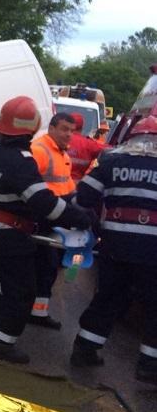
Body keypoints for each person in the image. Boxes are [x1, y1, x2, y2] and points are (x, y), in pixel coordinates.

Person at [0, 96, 93, 364]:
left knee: (6, 280)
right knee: (22, 291)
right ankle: (0, 343)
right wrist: (79, 217)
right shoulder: (21, 161)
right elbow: (43, 203)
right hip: (9, 235)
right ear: (32, 127)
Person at [69, 116, 157, 383]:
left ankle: (85, 348)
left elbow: (83, 198)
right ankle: (149, 365)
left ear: (132, 137)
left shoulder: (111, 162)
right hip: (152, 250)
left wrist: (96, 223)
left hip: (114, 244)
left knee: (109, 296)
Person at [28, 112, 77, 329]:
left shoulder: (62, 154)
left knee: (48, 267)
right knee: (40, 266)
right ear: (52, 128)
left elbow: (67, 187)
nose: (69, 134)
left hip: (54, 219)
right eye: (64, 129)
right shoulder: (40, 150)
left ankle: (37, 311)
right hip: (39, 219)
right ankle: (27, 310)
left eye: (72, 131)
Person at [67, 112, 108, 181]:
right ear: (82, 127)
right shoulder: (89, 144)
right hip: (77, 184)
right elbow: (110, 150)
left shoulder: (56, 140)